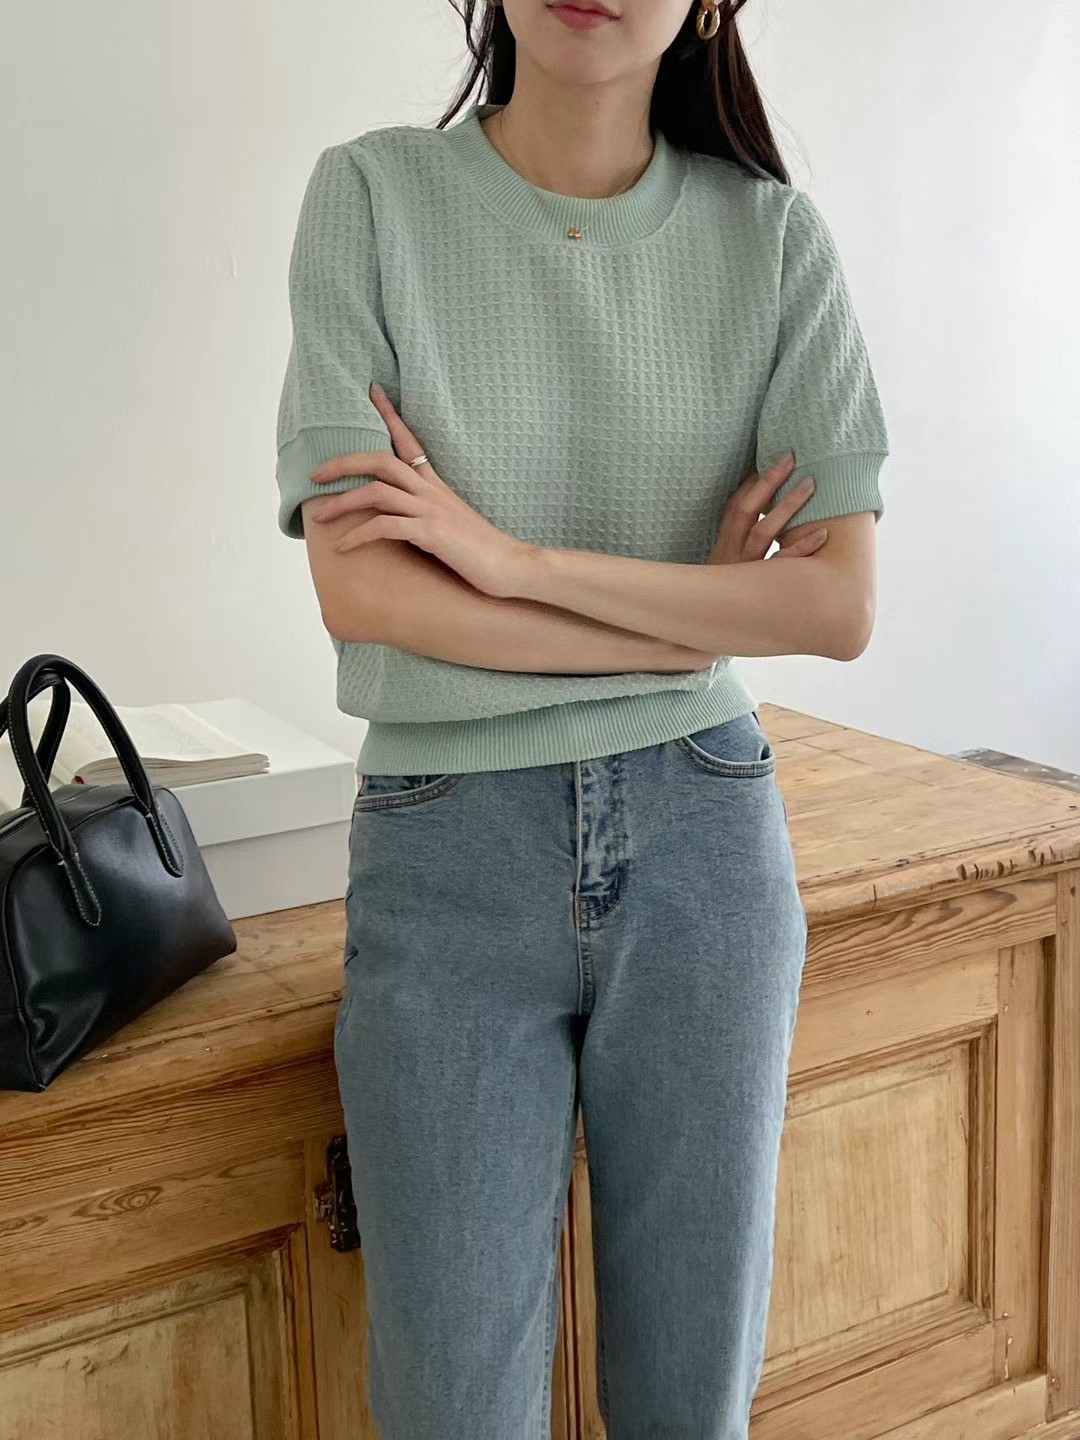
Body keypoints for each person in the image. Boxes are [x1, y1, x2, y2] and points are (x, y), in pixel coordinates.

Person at [274, 1, 888, 1435]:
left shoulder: (772, 239)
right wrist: (690, 620)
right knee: (454, 1407)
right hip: (448, 851)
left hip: (704, 836)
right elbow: (365, 593)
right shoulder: (372, 199)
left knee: (691, 1403)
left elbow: (836, 605)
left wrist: (510, 563)